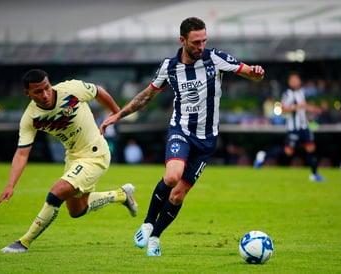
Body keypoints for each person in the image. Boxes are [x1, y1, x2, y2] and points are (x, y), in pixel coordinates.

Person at [100, 17, 265, 256]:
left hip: (207, 140)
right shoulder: (169, 66)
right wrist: (118, 115)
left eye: (204, 41)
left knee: (177, 196)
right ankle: (147, 223)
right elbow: (147, 96)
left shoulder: (214, 58)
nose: (201, 46)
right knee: (172, 176)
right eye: (196, 42)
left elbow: (249, 72)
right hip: (181, 131)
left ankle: (155, 237)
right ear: (183, 40)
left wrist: (257, 73)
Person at [0, 69, 137, 253]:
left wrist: (118, 113)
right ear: (27, 93)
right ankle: (121, 195)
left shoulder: (71, 89)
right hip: (73, 157)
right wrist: (10, 185)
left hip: (95, 153)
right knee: (77, 211)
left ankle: (24, 242)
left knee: (56, 193)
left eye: (46, 88)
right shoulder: (30, 118)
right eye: (37, 91)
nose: (45, 94)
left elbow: (98, 91)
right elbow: (22, 153)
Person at [254, 72, 324, 182]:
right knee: (288, 151)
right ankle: (264, 156)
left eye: (297, 79)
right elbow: (283, 109)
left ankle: (314, 174)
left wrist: (313, 109)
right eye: (293, 80)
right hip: (293, 127)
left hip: (304, 126)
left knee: (311, 148)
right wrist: (296, 107)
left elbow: (303, 106)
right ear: (290, 82)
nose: (296, 81)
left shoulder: (301, 92)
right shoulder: (288, 94)